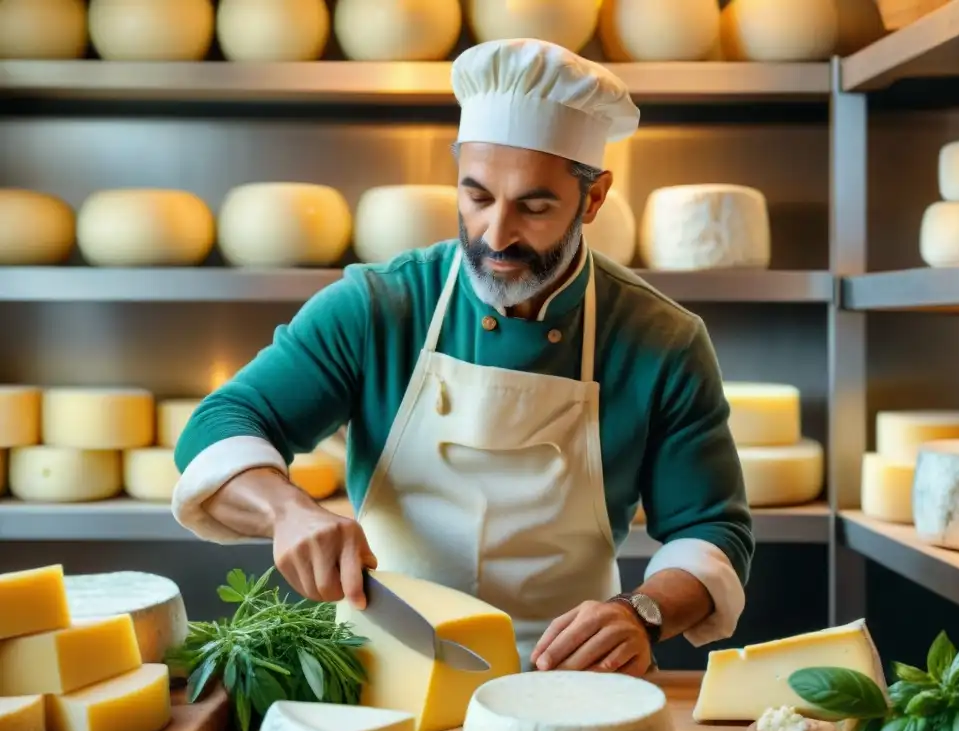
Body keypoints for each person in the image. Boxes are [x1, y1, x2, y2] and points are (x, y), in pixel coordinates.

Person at [171, 37, 754, 676]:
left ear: (592, 199)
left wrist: (641, 612)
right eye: (476, 197)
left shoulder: (661, 340)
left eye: (534, 206)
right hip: (384, 666)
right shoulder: (378, 306)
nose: (496, 235)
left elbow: (710, 533)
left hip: (564, 678)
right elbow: (220, 423)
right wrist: (287, 510)